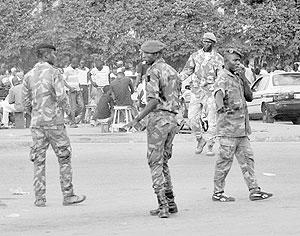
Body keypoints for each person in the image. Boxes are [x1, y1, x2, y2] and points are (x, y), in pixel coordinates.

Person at [22, 43, 86, 207]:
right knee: (64, 157)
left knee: (38, 160)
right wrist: (70, 114)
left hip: (37, 124)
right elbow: (61, 96)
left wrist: (36, 115)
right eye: (53, 54)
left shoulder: (28, 75)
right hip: (55, 123)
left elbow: (25, 103)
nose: (55, 57)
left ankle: (40, 198)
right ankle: (68, 194)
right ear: (46, 55)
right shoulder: (54, 73)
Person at [125, 40, 180, 218]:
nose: (143, 57)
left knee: (154, 162)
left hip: (159, 119)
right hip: (172, 119)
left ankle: (163, 205)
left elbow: (154, 100)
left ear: (156, 54)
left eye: (146, 54)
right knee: (163, 161)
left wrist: (138, 118)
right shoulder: (172, 70)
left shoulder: (152, 71)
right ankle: (171, 203)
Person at [212, 48, 273, 202]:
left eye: (239, 60)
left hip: (242, 130)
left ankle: (254, 190)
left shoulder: (238, 77)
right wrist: (220, 107)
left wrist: (244, 78)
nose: (238, 63)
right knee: (224, 162)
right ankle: (218, 193)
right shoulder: (223, 77)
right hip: (228, 129)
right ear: (226, 62)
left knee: (248, 161)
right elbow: (218, 93)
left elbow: (250, 97)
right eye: (234, 60)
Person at [180, 32, 224, 156]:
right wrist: (177, 80)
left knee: (212, 120)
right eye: (204, 41)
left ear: (213, 43)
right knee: (192, 118)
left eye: (208, 42)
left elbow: (221, 76)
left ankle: (210, 145)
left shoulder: (218, 58)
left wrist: (220, 91)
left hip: (211, 92)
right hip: (196, 91)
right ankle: (200, 139)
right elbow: (187, 70)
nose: (206, 44)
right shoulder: (195, 56)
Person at [63, 57, 84, 128]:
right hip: (71, 91)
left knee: (82, 106)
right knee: (73, 107)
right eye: (77, 64)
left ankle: (70, 116)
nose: (78, 65)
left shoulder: (77, 70)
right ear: (73, 63)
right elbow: (63, 81)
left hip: (78, 90)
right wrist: (70, 88)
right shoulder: (67, 70)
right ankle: (72, 123)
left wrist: (80, 87)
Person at [78, 58, 90, 123]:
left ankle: (83, 118)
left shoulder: (87, 69)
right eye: (81, 63)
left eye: (83, 63)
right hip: (80, 86)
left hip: (85, 86)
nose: (82, 64)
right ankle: (79, 118)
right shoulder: (77, 70)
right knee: (80, 103)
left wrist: (88, 84)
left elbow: (88, 77)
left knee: (86, 103)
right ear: (79, 63)